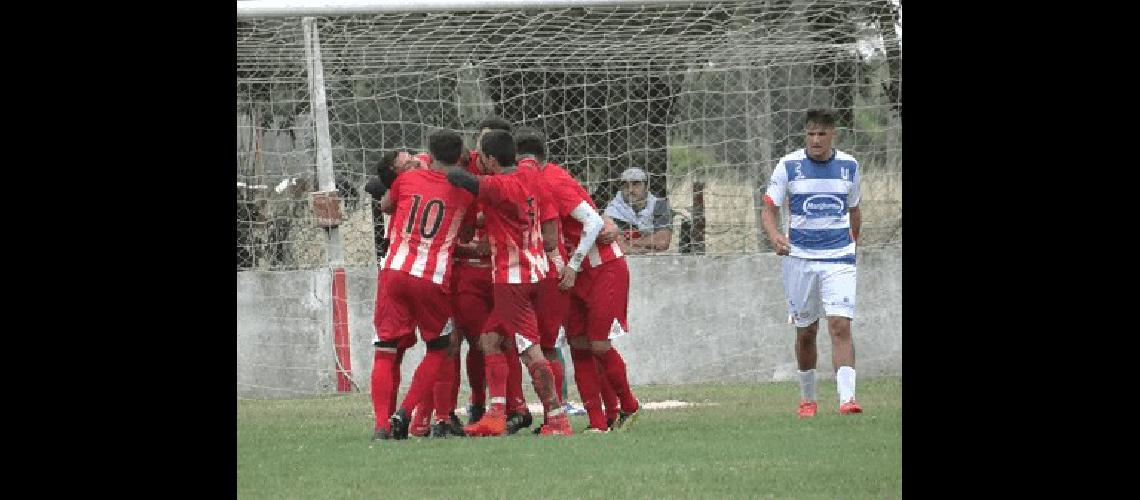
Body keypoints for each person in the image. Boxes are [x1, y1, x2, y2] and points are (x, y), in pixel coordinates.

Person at [445, 129, 573, 436]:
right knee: (489, 339)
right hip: (535, 271)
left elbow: (462, 180)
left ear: (490, 159)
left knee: (530, 349)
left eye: (481, 155)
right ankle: (497, 413)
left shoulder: (498, 185)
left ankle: (557, 418)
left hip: (512, 278)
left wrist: (442, 161)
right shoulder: (529, 173)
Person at [368, 130, 476, 440]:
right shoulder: (466, 193)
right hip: (432, 278)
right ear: (460, 157)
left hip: (395, 271)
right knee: (439, 347)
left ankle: (381, 426)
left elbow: (386, 205)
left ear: (430, 153)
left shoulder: (408, 180)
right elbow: (467, 234)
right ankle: (406, 411)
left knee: (385, 349)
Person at [514, 128, 623, 432]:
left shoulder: (549, 180)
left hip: (580, 268)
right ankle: (599, 420)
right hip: (566, 271)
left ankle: (621, 408)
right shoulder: (536, 180)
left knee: (591, 344)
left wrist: (572, 264)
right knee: (576, 345)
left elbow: (591, 223)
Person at [760, 108, 863, 418]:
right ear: (805, 135)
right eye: (811, 134)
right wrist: (775, 235)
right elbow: (768, 208)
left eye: (822, 134)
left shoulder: (849, 166)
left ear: (833, 134)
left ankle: (847, 399)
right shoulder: (788, 166)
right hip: (800, 259)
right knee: (806, 331)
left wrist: (850, 246)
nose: (816, 140)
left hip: (839, 257)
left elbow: (855, 211)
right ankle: (808, 400)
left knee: (840, 324)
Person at [603, 167, 673, 254]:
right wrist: (649, 245)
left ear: (647, 187)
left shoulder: (658, 205)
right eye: (626, 185)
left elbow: (662, 242)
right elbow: (617, 247)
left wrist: (629, 243)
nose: (630, 190)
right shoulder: (613, 210)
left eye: (636, 184)